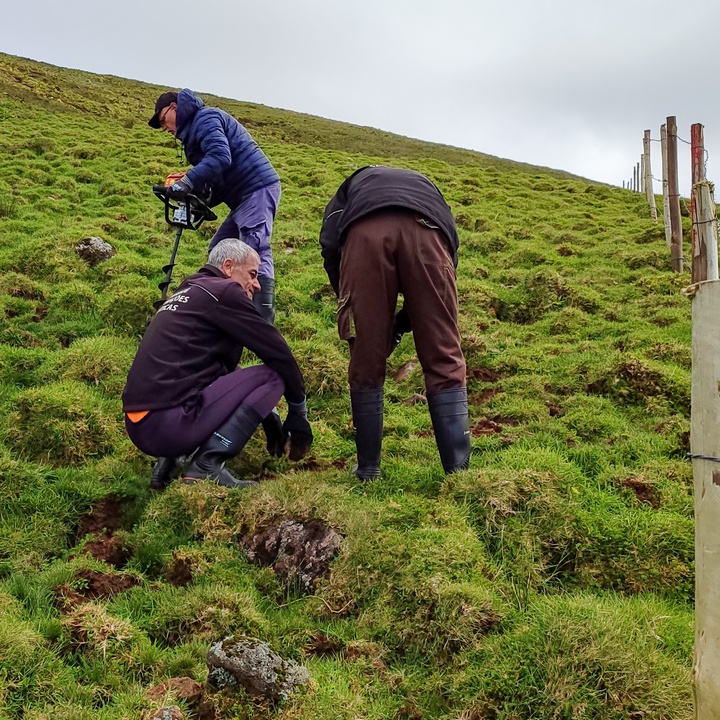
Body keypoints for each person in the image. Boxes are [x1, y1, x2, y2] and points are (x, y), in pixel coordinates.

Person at [122, 238, 312, 490]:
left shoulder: (187, 292)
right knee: (272, 376)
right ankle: (205, 466)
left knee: (208, 371)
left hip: (139, 426)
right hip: (167, 426)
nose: (256, 285)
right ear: (229, 266)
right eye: (253, 274)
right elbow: (278, 353)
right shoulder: (224, 292)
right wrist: (298, 412)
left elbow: (203, 369)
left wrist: (269, 412)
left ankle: (167, 463)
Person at [319, 165, 470, 479]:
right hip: (430, 233)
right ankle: (459, 473)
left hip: (365, 235)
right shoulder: (428, 184)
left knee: (366, 355)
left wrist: (346, 296)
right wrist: (414, 316)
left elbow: (330, 242)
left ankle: (368, 469)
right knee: (444, 352)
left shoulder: (350, 186)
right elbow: (451, 248)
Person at [148, 89, 281, 323]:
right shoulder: (192, 135)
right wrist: (196, 199)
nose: (165, 128)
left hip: (256, 187)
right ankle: (227, 304)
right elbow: (216, 175)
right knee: (218, 248)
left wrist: (187, 182)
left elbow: (220, 156)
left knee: (254, 243)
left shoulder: (206, 118)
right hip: (240, 197)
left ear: (175, 108)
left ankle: (261, 317)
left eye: (162, 120)